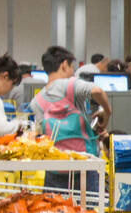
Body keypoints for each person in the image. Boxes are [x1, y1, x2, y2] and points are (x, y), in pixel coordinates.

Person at [32, 46, 112, 190]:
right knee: (89, 210)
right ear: (64, 65)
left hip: (54, 169)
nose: (72, 72)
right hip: (84, 168)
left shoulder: (36, 101)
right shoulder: (70, 84)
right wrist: (107, 112)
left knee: (55, 210)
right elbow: (97, 91)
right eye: (71, 68)